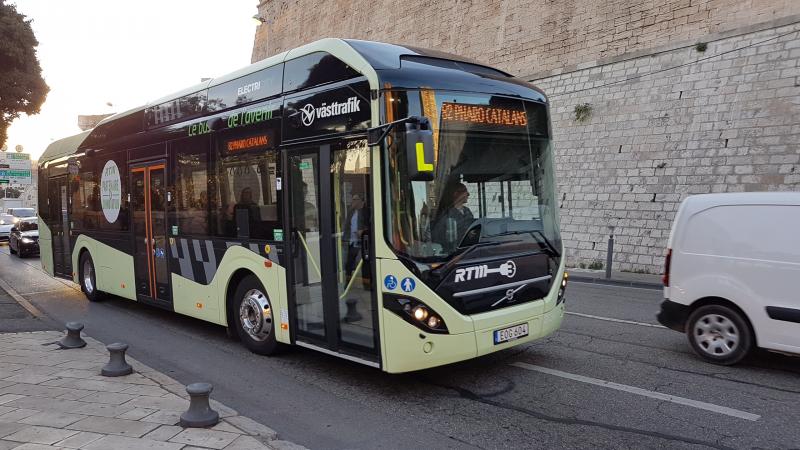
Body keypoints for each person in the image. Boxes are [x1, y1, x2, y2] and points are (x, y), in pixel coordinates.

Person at [433, 182, 475, 251]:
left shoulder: (467, 211)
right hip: (453, 252)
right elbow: (438, 236)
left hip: (470, 249)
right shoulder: (446, 213)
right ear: (456, 194)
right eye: (465, 191)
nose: (468, 194)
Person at [343, 193, 370, 289]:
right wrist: (345, 239)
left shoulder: (365, 211)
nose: (353, 201)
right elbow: (347, 226)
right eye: (352, 199)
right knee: (349, 264)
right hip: (352, 242)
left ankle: (366, 285)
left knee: (365, 264)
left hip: (363, 241)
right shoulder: (351, 212)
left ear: (360, 201)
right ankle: (348, 283)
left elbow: (370, 225)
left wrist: (363, 231)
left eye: (355, 199)